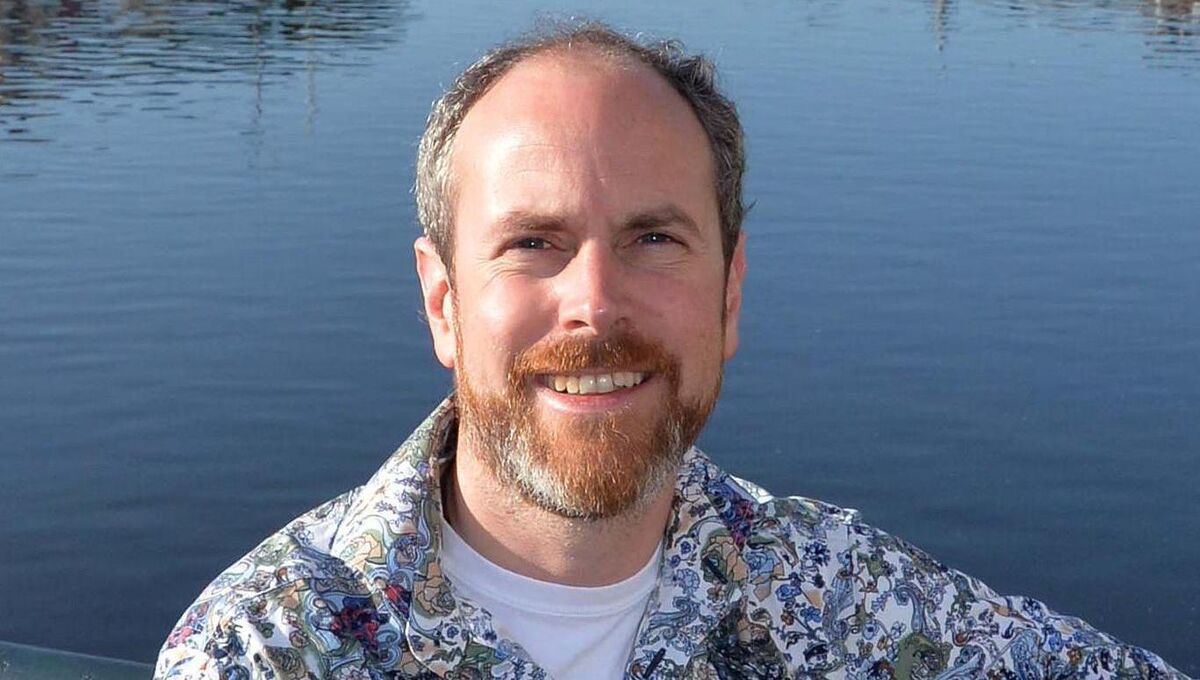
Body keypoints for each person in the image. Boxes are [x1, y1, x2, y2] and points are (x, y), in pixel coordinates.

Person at [156, 22, 1187, 680]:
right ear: (443, 301)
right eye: (533, 243)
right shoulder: (269, 647)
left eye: (654, 238)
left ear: (729, 294)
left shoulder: (840, 595)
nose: (595, 302)